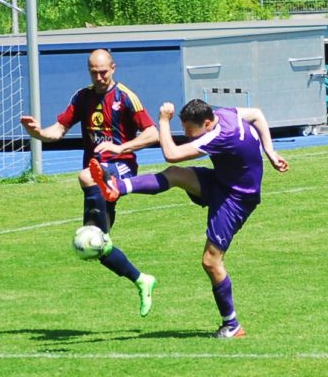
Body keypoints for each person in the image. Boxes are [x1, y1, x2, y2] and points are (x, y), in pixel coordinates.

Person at [91, 99, 289, 338]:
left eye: (188, 130)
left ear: (206, 123)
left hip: (236, 200)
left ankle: (232, 325)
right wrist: (270, 151)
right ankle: (117, 187)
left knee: (211, 262)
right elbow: (257, 113)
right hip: (222, 180)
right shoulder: (225, 114)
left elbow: (172, 154)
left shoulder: (219, 136)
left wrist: (163, 120)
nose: (186, 134)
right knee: (175, 175)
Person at [19, 49, 159, 316]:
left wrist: (121, 148)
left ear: (113, 68)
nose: (99, 76)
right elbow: (57, 131)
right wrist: (37, 133)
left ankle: (107, 187)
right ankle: (142, 280)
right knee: (95, 245)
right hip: (99, 175)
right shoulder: (82, 97)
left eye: (103, 71)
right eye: (93, 72)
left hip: (121, 166)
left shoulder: (126, 97)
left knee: (86, 175)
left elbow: (152, 133)